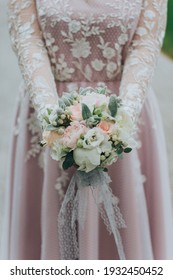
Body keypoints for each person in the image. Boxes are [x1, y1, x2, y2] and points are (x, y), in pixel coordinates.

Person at [1, 0, 173, 260]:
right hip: (49, 106)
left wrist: (119, 122)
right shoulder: (52, 115)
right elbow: (29, 38)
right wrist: (55, 120)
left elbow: (145, 43)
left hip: (123, 109)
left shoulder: (122, 116)